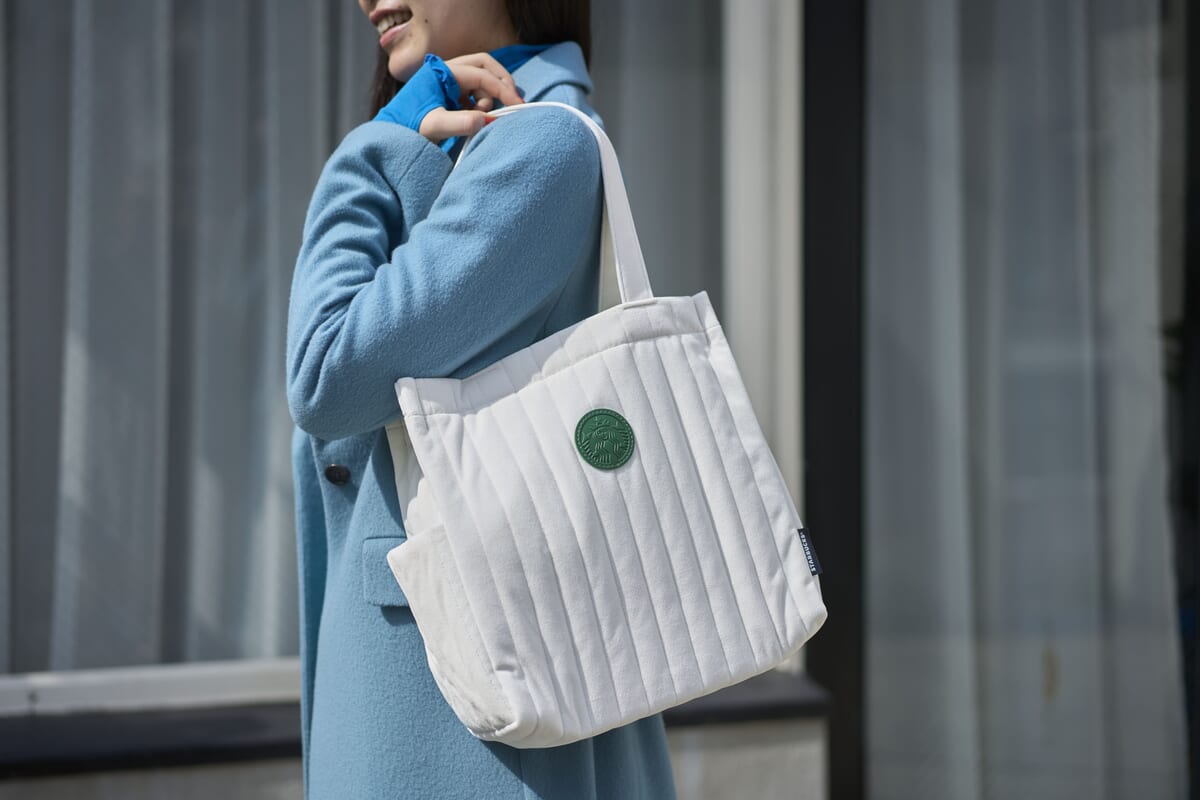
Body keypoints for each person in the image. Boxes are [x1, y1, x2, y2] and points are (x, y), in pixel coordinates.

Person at [284, 1, 678, 797]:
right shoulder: (476, 140)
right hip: (450, 687)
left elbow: (325, 372)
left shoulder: (539, 145)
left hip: (463, 717)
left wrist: (377, 146)